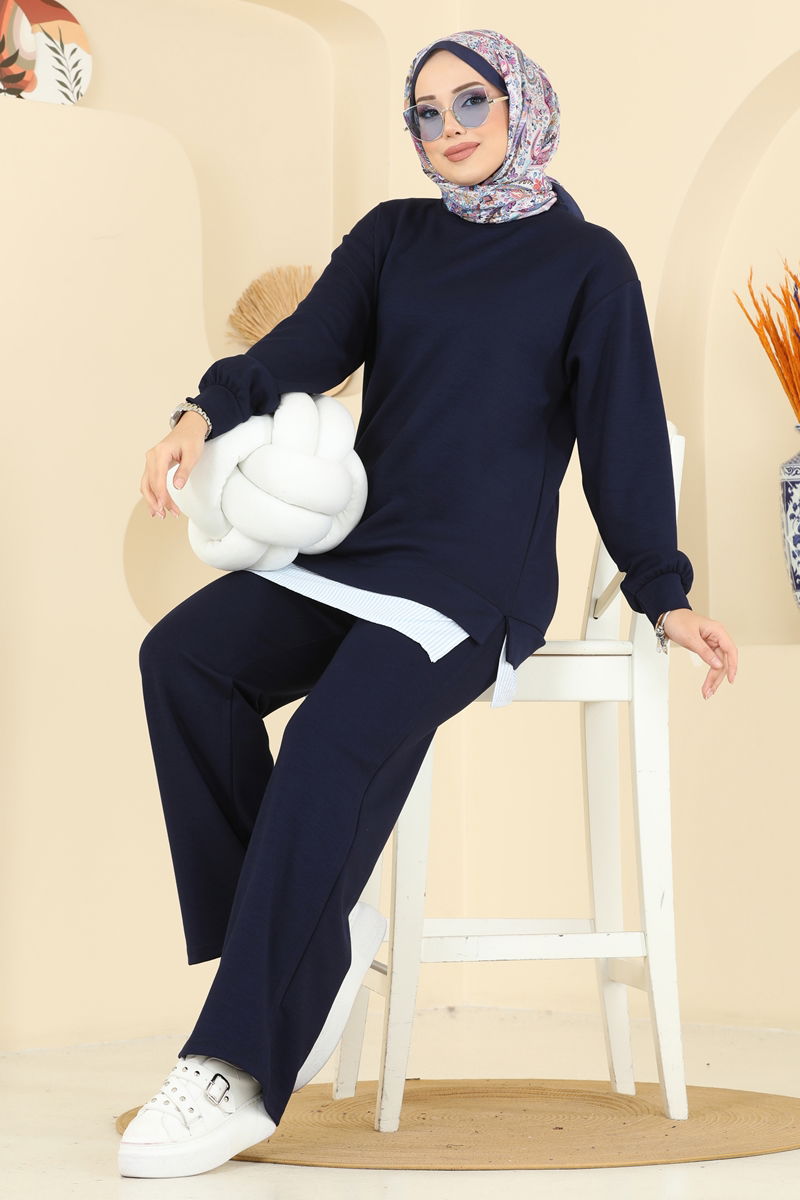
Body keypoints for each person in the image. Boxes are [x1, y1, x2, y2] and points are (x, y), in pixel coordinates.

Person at [124, 27, 738, 1179]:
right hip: (355, 554)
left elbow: (619, 444)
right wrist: (199, 415)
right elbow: (301, 347)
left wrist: (662, 594)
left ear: (521, 108)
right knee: (184, 662)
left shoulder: (587, 264)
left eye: (470, 102)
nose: (446, 127)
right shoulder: (393, 237)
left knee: (326, 739)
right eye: (425, 110)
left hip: (471, 584)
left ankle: (236, 1064)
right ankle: (302, 939)